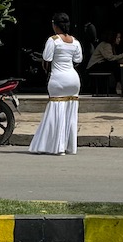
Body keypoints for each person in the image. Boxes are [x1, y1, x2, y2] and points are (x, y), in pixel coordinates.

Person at [29, 12, 84, 155]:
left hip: (58, 79)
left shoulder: (53, 40)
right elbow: (78, 60)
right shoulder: (75, 41)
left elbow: (47, 58)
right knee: (69, 112)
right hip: (73, 79)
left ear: (55, 25)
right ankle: (68, 146)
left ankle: (55, 146)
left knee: (55, 110)